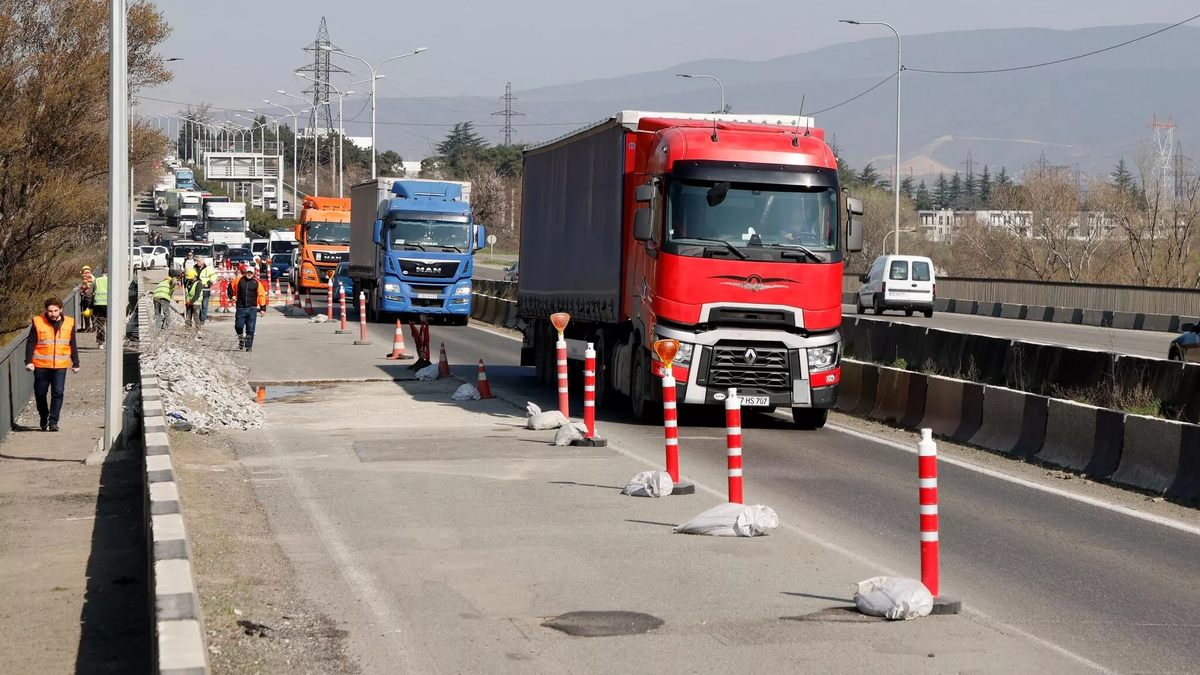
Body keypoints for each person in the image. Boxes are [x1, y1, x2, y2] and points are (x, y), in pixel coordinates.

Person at [24, 298, 80, 432]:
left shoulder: (69, 322)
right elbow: (31, 342)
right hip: (41, 365)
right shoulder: (38, 322)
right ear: (46, 311)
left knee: (58, 393)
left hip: (60, 364)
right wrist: (28, 361)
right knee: (40, 393)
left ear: (61, 310)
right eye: (50, 311)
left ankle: (53, 421)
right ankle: (44, 415)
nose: (53, 314)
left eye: (55, 311)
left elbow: (72, 343)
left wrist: (76, 362)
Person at [226, 263, 267, 352]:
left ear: (253, 274)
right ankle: (241, 338)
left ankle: (248, 346)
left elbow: (261, 295)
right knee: (238, 326)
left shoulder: (256, 283)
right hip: (240, 308)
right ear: (245, 272)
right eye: (248, 272)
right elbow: (230, 286)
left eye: (251, 273)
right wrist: (231, 296)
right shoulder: (239, 280)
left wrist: (263, 309)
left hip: (252, 308)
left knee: (251, 328)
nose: (249, 274)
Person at [194, 256, 217, 325]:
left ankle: (202, 320)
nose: (197, 262)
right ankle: (197, 319)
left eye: (199, 261)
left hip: (205, 290)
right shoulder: (194, 268)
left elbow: (214, 276)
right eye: (197, 261)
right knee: (197, 305)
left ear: (202, 261)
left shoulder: (208, 269)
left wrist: (209, 283)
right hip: (197, 289)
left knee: (204, 305)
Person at [92, 269, 108, 349]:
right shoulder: (113, 280)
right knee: (111, 325)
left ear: (102, 273)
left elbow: (88, 294)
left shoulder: (96, 280)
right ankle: (112, 341)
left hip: (98, 305)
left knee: (100, 325)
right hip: (110, 306)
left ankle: (100, 343)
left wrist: (89, 304)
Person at [79, 266, 95, 332]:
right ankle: (94, 327)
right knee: (92, 312)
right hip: (93, 295)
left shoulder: (86, 276)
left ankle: (88, 328)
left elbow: (84, 284)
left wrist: (81, 291)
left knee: (86, 312)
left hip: (87, 296)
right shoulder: (93, 277)